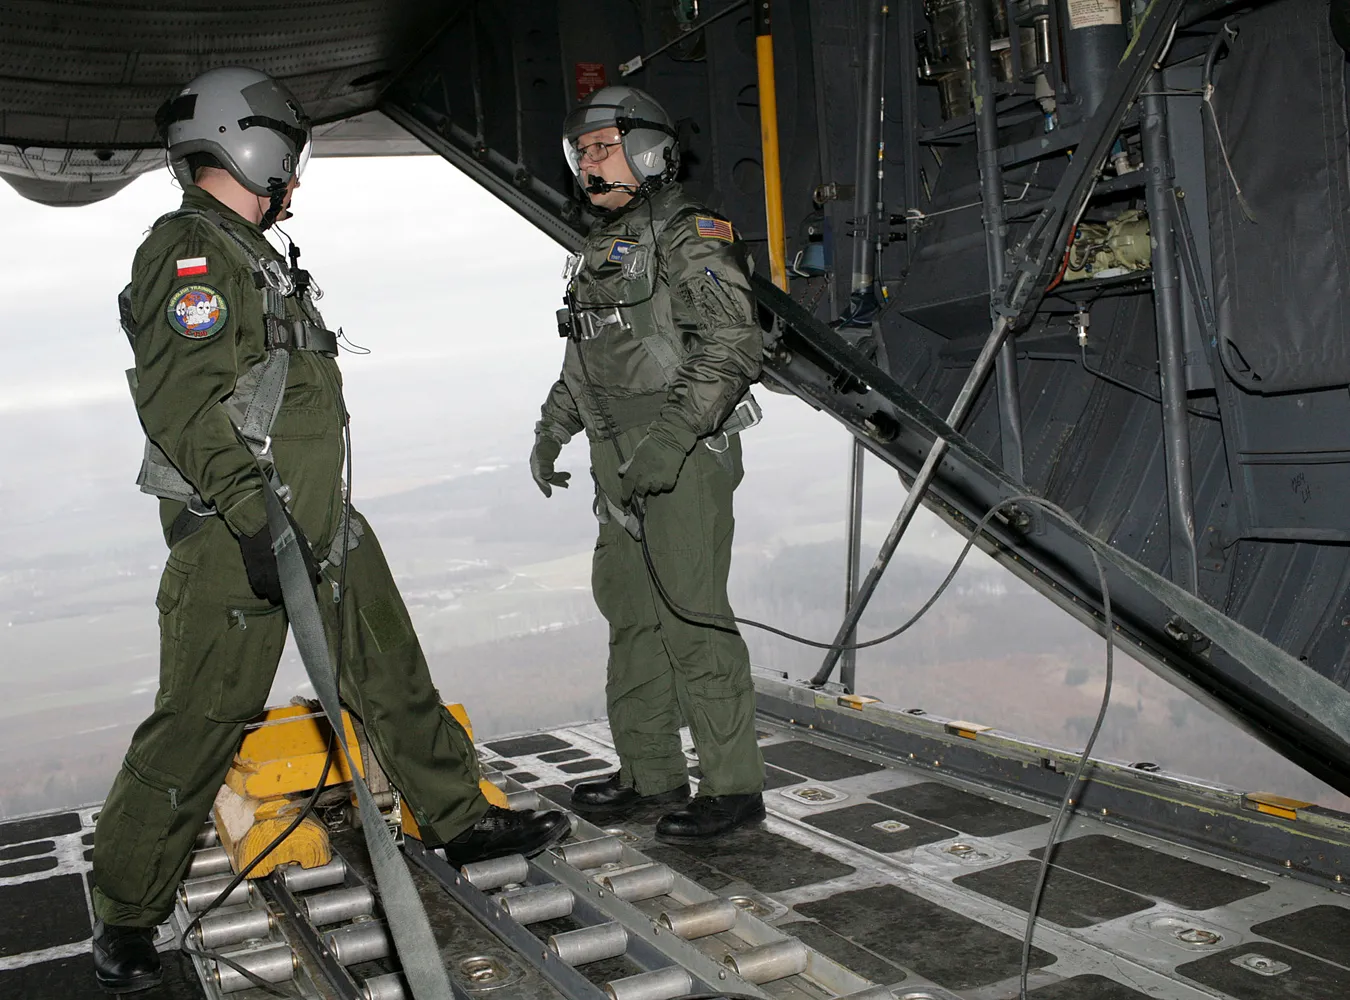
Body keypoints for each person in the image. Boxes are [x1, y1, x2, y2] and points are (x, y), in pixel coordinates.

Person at [91, 67, 569, 994]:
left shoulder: (247, 250)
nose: (295, 182)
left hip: (321, 522)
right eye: (291, 160)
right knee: (197, 725)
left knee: (391, 673)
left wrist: (305, 515)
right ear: (251, 144)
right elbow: (183, 406)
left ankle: (459, 817)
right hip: (237, 536)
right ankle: (125, 911)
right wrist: (254, 517)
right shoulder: (189, 253)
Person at [530, 86, 766, 844]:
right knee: (631, 617)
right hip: (616, 452)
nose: (588, 165)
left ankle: (732, 788)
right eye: (583, 152)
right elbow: (589, 354)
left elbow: (732, 345)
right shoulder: (602, 246)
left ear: (648, 151)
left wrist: (669, 444)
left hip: (682, 449)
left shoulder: (688, 236)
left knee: (692, 617)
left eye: (603, 148)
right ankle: (651, 773)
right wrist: (552, 429)